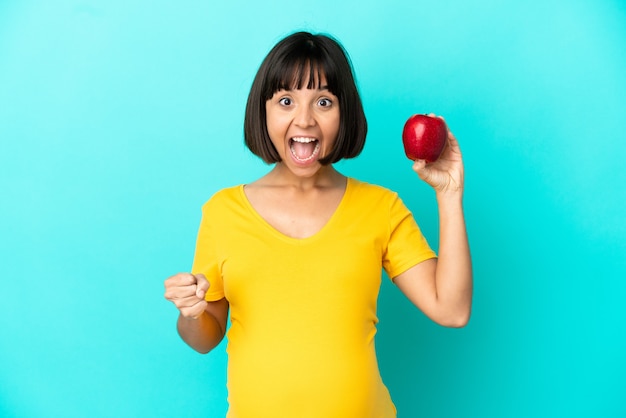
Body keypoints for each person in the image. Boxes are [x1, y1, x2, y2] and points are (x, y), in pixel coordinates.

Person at [164, 31, 472, 418]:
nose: (305, 119)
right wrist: (192, 312)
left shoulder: (380, 207)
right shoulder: (223, 211)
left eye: (323, 101)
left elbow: (452, 309)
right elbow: (205, 338)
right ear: (263, 111)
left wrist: (449, 194)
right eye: (286, 101)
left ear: (345, 114)